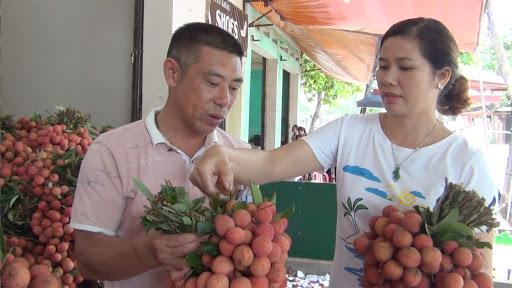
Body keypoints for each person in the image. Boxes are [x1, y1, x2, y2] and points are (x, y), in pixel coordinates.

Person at [190, 18, 500, 287]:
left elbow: (477, 270)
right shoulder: (349, 131)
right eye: (383, 66)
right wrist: (222, 155)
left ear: (441, 77)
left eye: (405, 67)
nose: (388, 78)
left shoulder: (466, 163)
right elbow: (272, 163)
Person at [70, 22, 249, 288]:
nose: (224, 99)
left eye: (234, 87)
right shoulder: (111, 152)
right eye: (213, 83)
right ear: (172, 73)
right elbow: (86, 258)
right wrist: (147, 252)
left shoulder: (241, 157)